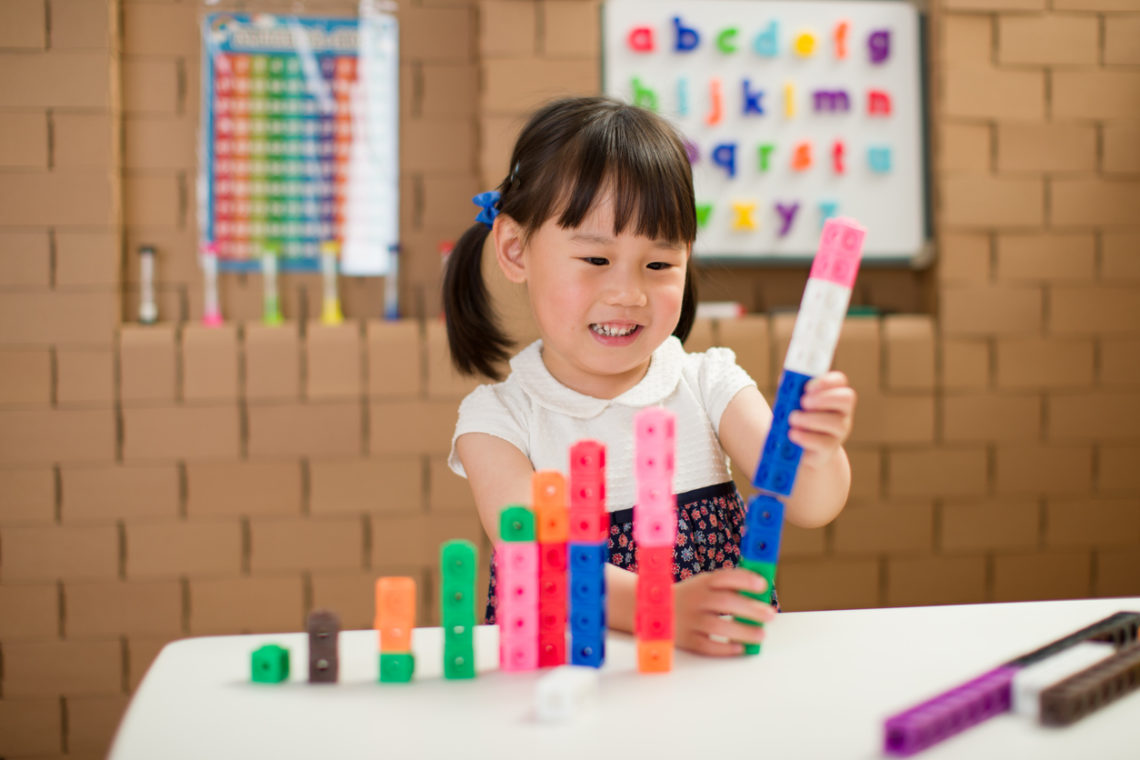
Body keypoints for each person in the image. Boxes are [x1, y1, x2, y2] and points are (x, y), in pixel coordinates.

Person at [444, 96, 856, 656]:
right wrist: (659, 609)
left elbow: (808, 503)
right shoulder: (498, 420)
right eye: (595, 260)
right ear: (516, 249)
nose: (629, 294)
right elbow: (538, 555)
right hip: (563, 683)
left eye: (659, 265)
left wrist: (819, 449)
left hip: (708, 671)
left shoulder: (710, 384)